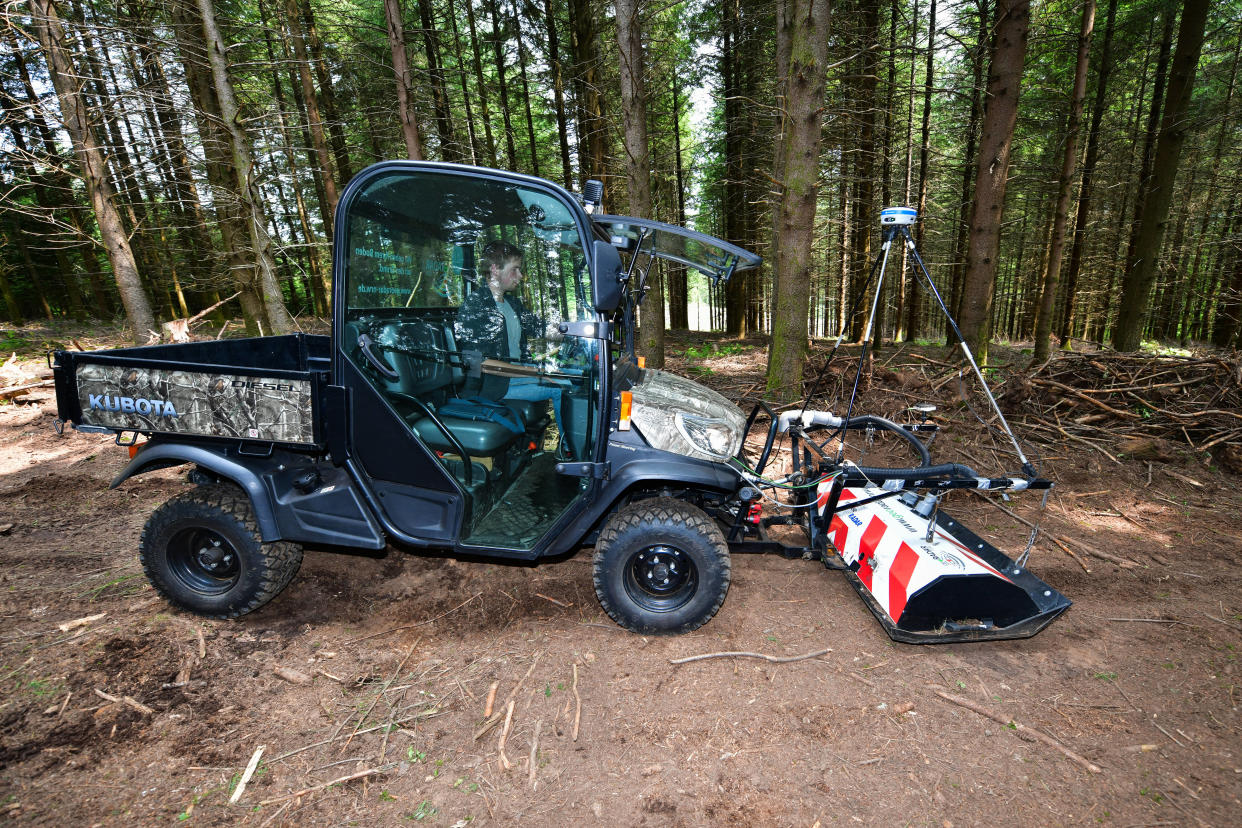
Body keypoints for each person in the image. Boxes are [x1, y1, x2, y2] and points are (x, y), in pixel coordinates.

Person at [455, 240, 571, 452]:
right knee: (563, 388)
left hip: (516, 376)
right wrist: (537, 372)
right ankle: (570, 452)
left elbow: (541, 328)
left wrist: (573, 331)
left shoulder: (512, 304)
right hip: (494, 385)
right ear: (494, 269)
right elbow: (482, 364)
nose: (520, 276)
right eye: (515, 269)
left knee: (574, 375)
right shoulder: (475, 307)